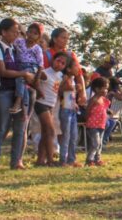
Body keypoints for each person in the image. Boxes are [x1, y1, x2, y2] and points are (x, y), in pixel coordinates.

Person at [0, 19, 38, 171]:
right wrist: (23, 73)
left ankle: (17, 161)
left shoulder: (16, 48)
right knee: (1, 127)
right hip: (4, 90)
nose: (17, 34)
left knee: (21, 127)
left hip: (22, 91)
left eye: (18, 31)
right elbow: (2, 71)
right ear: (3, 32)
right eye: (14, 31)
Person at [48, 28, 83, 167]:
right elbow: (61, 90)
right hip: (64, 109)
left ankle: (71, 159)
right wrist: (72, 88)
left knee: (73, 135)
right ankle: (63, 159)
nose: (78, 68)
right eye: (75, 66)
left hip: (72, 109)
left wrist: (77, 89)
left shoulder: (73, 79)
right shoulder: (65, 79)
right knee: (66, 135)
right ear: (68, 69)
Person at [35, 52, 67, 166]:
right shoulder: (45, 72)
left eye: (63, 63)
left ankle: (40, 160)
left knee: (45, 133)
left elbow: (56, 90)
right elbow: (34, 80)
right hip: (41, 104)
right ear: (53, 60)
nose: (60, 64)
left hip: (50, 106)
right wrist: (38, 90)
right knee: (51, 131)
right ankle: (50, 160)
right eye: (58, 61)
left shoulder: (59, 76)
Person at [8, 23, 44, 115]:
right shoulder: (20, 41)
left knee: (20, 79)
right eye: (30, 32)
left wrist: (36, 80)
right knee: (23, 83)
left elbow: (40, 65)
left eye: (35, 33)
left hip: (31, 67)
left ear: (38, 36)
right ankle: (25, 108)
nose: (32, 35)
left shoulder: (37, 49)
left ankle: (18, 101)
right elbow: (11, 44)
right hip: (20, 65)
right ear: (26, 33)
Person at [85, 77, 110, 167]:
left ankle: (97, 159)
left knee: (99, 144)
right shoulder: (94, 99)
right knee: (95, 143)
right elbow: (88, 110)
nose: (106, 90)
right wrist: (86, 119)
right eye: (104, 88)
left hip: (101, 124)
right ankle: (89, 159)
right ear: (97, 89)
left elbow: (104, 109)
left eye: (107, 88)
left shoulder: (103, 99)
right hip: (93, 125)